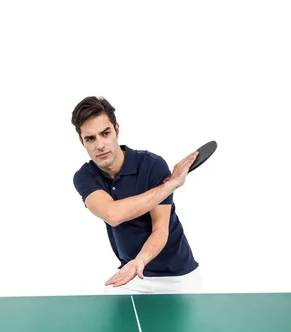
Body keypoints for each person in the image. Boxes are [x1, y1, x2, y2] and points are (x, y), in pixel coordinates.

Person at [71, 96, 203, 294]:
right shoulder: (85, 177)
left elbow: (160, 230)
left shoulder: (152, 165)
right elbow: (113, 215)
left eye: (105, 133)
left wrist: (139, 261)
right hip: (131, 275)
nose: (100, 145)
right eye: (90, 138)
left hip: (178, 277)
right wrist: (171, 185)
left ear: (116, 130)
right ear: (82, 141)